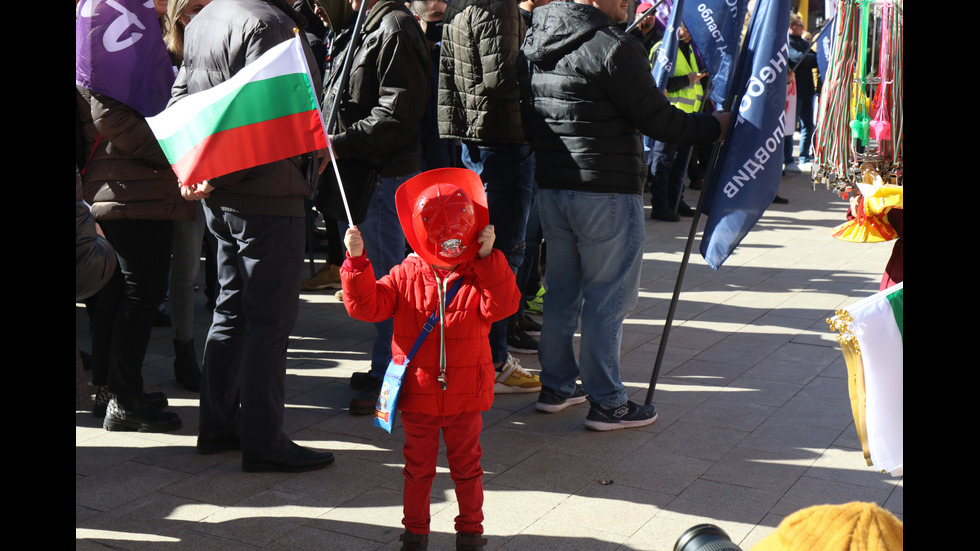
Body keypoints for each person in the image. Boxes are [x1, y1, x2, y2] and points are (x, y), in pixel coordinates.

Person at [521, 0, 728, 429]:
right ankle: (608, 401)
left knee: (563, 291)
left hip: (556, 186)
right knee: (607, 298)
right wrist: (715, 127)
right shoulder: (611, 45)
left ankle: (557, 385)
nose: (633, 3)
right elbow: (658, 119)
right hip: (605, 189)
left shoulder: (539, 37)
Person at [173, 0, 335, 472]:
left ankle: (219, 424)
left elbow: (182, 98)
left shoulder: (205, 18)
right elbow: (265, 119)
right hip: (266, 194)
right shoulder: (269, 23)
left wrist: (198, 169)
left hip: (226, 196)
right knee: (269, 321)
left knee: (232, 310)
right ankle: (263, 441)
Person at [340, 169, 520, 551]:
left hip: (461, 397)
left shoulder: (478, 274)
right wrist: (356, 264)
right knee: (421, 470)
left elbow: (504, 304)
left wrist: (490, 260)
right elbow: (367, 306)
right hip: (423, 397)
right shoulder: (404, 275)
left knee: (465, 469)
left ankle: (470, 531)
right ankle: (416, 533)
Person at [320, 0, 431, 415]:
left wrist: (340, 141)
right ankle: (382, 366)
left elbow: (398, 113)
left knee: (387, 282)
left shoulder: (395, 27)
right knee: (380, 276)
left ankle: (391, 377)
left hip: (385, 175)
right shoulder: (371, 24)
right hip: (370, 174)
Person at [438, 0, 542, 393]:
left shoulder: (461, 6)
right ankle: (493, 358)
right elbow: (502, 79)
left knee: (482, 249)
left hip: (476, 137)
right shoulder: (500, 6)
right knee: (504, 251)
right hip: (502, 141)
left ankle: (478, 352)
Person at [163, 0, 214, 392]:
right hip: (182, 176)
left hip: (219, 172)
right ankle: (184, 348)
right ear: (180, 14)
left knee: (218, 266)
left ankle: (218, 349)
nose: (203, 12)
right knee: (186, 270)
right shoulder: (164, 54)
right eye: (195, 7)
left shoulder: (215, 40)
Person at [647, 23, 708, 222]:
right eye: (687, 29)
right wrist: (687, 80)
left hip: (686, 116)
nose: (690, 34)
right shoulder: (662, 48)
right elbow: (656, 84)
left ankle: (675, 201)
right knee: (664, 162)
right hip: (667, 116)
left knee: (681, 163)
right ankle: (660, 205)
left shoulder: (688, 48)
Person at [786, 12, 818, 171]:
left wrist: (808, 60)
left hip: (807, 90)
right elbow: (799, 58)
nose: (802, 28)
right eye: (799, 25)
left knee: (808, 125)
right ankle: (788, 159)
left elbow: (814, 59)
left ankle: (805, 157)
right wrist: (808, 60)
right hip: (793, 92)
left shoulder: (804, 43)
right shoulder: (788, 42)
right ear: (791, 27)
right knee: (790, 126)